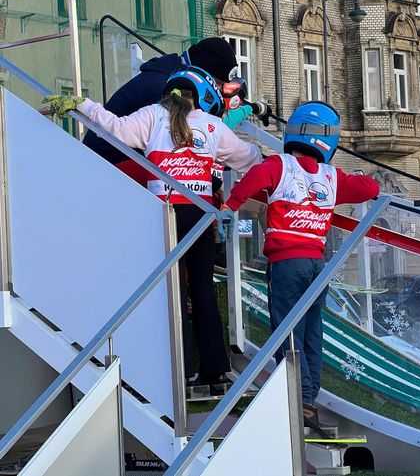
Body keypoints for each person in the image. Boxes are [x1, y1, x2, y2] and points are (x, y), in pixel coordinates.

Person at [44, 66, 263, 396]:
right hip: (201, 213)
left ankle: (183, 371)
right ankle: (216, 372)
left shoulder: (151, 115)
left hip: (164, 212)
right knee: (203, 289)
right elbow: (251, 159)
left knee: (172, 294)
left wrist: (82, 104)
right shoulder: (212, 124)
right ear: (201, 96)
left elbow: (114, 129)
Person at [220, 101, 379, 434]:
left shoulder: (279, 165)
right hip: (317, 265)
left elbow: (249, 183)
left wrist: (228, 206)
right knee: (311, 333)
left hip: (286, 262)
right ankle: (310, 398)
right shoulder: (331, 176)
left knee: (287, 334)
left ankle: (301, 402)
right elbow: (370, 189)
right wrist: (363, 176)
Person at [83, 36, 270, 185]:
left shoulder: (170, 79)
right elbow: (177, 146)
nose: (218, 92)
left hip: (116, 162)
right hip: (111, 166)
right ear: (204, 74)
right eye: (218, 84)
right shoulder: (163, 89)